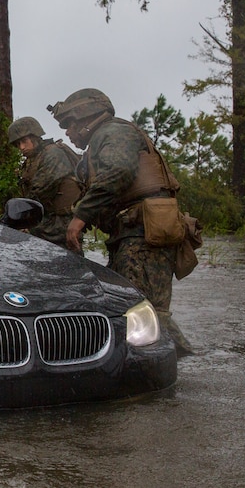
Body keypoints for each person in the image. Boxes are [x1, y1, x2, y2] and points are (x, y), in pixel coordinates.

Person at [49, 88, 195, 357]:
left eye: (69, 124)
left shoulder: (113, 132)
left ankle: (173, 378)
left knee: (143, 313)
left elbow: (120, 171)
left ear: (85, 117)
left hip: (142, 237)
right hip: (131, 236)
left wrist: (79, 218)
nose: (68, 133)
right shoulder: (103, 140)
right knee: (133, 311)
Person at [7, 116, 83, 252]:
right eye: (18, 144)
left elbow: (40, 189)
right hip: (44, 224)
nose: (22, 147)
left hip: (61, 225)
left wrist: (21, 218)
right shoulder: (32, 160)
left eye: (24, 141)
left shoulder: (52, 154)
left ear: (35, 137)